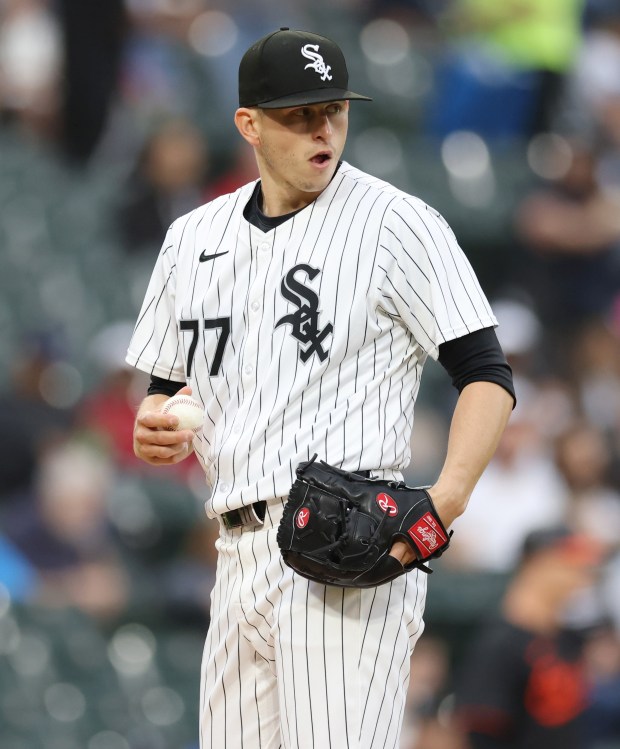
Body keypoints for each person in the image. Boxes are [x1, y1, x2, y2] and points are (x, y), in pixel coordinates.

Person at [127, 27, 515, 749]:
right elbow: (162, 388)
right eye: (299, 113)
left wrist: (446, 499)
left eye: (333, 109)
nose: (322, 129)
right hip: (236, 550)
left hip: (346, 547)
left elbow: (486, 373)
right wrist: (154, 419)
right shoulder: (192, 237)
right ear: (248, 124)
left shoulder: (396, 222)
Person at [453, 525, 607, 749]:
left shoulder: (569, 638)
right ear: (536, 564)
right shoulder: (498, 643)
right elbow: (479, 734)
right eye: (570, 564)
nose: (581, 576)